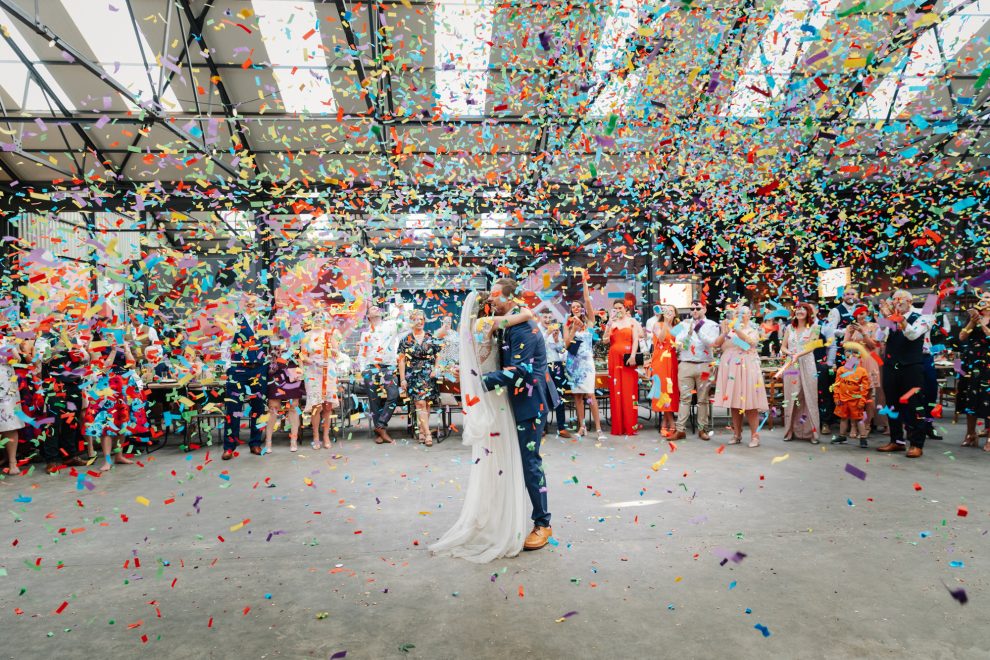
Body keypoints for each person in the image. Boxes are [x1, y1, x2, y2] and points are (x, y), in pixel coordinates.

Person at [430, 291, 540, 562]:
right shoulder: (488, 324)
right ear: (487, 307)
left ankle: (489, 514)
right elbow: (527, 314)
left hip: (488, 392)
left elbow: (458, 363)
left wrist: (468, 377)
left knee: (492, 459)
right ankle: (504, 516)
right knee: (507, 457)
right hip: (497, 395)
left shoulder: (469, 329)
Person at [480, 278, 560, 551]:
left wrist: (482, 383)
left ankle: (543, 523)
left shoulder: (522, 326)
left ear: (509, 297)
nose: (490, 300)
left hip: (530, 403)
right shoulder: (506, 321)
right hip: (511, 403)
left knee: (529, 463)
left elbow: (522, 371)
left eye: (494, 295)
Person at [84, 319, 147, 471]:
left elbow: (131, 365)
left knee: (123, 420)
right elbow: (103, 369)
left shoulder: (122, 344)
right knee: (107, 423)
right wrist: (112, 350)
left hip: (125, 384)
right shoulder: (96, 347)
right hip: (107, 386)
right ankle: (107, 460)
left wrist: (125, 348)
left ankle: (119, 455)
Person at [875, 290, 932, 458]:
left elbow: (913, 334)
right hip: (892, 365)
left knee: (915, 404)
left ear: (909, 300)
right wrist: (884, 319)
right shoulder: (891, 315)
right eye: (893, 300)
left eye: (899, 300)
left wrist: (897, 317)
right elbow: (881, 336)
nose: (896, 303)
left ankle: (916, 443)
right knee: (892, 403)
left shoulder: (923, 315)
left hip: (912, 366)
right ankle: (896, 440)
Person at [36, 313, 89, 473]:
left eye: (63, 321)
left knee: (71, 420)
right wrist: (61, 342)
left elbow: (86, 358)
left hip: (73, 384)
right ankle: (51, 459)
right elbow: (44, 358)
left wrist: (82, 357)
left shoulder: (75, 338)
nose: (61, 324)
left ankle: (70, 455)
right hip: (54, 386)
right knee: (52, 422)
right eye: (57, 321)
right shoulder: (43, 339)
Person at [220, 295, 269, 461]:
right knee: (234, 408)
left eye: (254, 303)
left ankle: (255, 443)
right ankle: (229, 447)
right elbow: (225, 345)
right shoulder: (235, 321)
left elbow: (272, 343)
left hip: (259, 369)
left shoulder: (265, 323)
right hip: (238, 368)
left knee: (258, 408)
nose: (251, 305)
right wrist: (228, 367)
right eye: (248, 303)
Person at [713, 305, 769, 447]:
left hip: (747, 367)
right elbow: (718, 345)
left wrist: (737, 330)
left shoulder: (753, 328)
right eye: (737, 313)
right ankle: (737, 434)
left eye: (743, 313)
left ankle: (754, 436)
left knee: (750, 403)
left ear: (749, 315)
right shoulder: (729, 329)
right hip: (731, 368)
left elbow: (750, 344)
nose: (739, 315)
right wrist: (725, 333)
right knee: (734, 402)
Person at [670, 299, 720, 440]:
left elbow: (712, 343)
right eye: (692, 309)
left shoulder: (713, 325)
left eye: (698, 308)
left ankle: (702, 429)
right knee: (684, 398)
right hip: (686, 364)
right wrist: (689, 333)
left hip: (704, 364)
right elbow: (678, 346)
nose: (695, 311)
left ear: (704, 309)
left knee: (703, 399)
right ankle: (680, 430)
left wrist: (698, 331)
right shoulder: (682, 324)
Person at [564, 278, 605, 441]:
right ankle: (582, 427)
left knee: (590, 394)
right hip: (574, 363)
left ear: (581, 309)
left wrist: (585, 282)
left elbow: (588, 299)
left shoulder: (589, 322)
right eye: (573, 307)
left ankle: (598, 428)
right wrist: (573, 329)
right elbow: (566, 344)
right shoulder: (567, 325)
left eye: (578, 306)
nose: (576, 308)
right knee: (577, 396)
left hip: (587, 363)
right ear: (571, 310)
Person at [356, 304, 402, 444]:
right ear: (368, 316)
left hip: (388, 367)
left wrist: (401, 311)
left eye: (378, 308)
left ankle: (380, 426)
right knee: (373, 400)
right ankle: (380, 431)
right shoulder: (366, 334)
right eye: (372, 308)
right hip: (371, 368)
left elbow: (407, 326)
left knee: (394, 395)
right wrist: (364, 371)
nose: (376, 309)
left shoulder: (391, 325)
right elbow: (362, 355)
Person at [775, 302, 821, 443]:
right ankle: (790, 431)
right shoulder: (789, 328)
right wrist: (790, 353)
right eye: (798, 309)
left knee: (810, 396)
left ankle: (812, 433)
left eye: (803, 309)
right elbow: (783, 347)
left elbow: (812, 346)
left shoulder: (815, 327)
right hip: (791, 365)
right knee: (791, 396)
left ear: (808, 312)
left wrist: (798, 354)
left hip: (807, 363)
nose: (800, 311)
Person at [398, 309, 441, 447]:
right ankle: (428, 434)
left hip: (429, 375)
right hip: (413, 374)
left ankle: (422, 431)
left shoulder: (430, 337)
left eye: (421, 319)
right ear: (411, 322)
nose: (419, 321)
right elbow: (401, 360)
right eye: (416, 319)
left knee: (426, 404)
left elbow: (438, 355)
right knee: (420, 403)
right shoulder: (406, 340)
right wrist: (403, 379)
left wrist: (436, 368)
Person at [821, 286, 861, 433]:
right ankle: (828, 420)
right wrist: (847, 331)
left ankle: (853, 422)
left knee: (853, 384)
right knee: (835, 385)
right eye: (847, 294)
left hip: (856, 355)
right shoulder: (836, 311)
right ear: (843, 296)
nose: (850, 296)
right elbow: (830, 331)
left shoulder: (861, 309)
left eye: (852, 293)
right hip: (840, 354)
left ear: (857, 295)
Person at [301, 317, 343, 450]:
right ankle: (315, 436)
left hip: (328, 371)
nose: (318, 319)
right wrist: (314, 362)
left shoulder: (330, 334)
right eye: (315, 316)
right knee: (316, 406)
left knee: (327, 405)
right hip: (313, 372)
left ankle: (326, 436)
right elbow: (302, 356)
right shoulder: (306, 336)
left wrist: (331, 352)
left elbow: (337, 353)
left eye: (321, 316)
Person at [844, 305, 886, 434]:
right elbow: (845, 345)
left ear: (867, 313)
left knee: (869, 395)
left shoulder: (874, 326)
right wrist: (850, 333)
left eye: (862, 313)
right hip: (853, 361)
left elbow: (874, 345)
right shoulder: (850, 327)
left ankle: (867, 425)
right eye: (857, 314)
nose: (860, 316)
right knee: (851, 394)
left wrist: (862, 332)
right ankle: (854, 426)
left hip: (869, 359)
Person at [605, 298, 643, 436]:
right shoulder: (612, 323)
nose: (618, 310)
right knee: (616, 391)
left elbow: (636, 340)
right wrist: (609, 323)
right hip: (614, 358)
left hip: (627, 358)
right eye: (615, 308)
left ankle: (630, 425)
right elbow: (605, 340)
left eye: (620, 308)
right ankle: (618, 426)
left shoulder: (632, 322)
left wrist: (633, 355)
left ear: (625, 309)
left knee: (629, 391)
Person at [958, 295, 990, 450]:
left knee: (987, 397)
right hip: (971, 361)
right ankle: (971, 434)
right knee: (970, 396)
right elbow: (962, 336)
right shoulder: (972, 318)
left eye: (988, 298)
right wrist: (973, 321)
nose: (984, 300)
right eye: (983, 298)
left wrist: (983, 325)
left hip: (987, 362)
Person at [265, 329, 303, 453]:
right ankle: (268, 441)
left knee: (293, 406)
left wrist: (301, 371)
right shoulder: (269, 336)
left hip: (292, 373)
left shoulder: (296, 336)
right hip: (275, 373)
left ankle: (293, 440)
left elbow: (301, 355)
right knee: (273, 407)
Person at [830, 342, 873, 448]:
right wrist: (836, 397)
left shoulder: (862, 372)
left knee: (859, 419)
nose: (851, 357)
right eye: (848, 354)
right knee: (843, 418)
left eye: (854, 354)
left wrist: (862, 401)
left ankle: (863, 437)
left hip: (856, 401)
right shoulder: (841, 370)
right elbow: (837, 385)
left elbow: (864, 388)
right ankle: (842, 436)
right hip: (843, 400)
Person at [648, 304, 679, 437]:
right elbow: (660, 339)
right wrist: (666, 323)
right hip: (660, 360)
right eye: (667, 311)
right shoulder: (657, 325)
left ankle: (665, 421)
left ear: (675, 313)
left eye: (672, 310)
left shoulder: (678, 327)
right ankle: (671, 422)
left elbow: (683, 343)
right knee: (663, 389)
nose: (669, 313)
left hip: (672, 360)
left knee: (671, 391)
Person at [539, 309, 570, 438]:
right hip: (543, 366)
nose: (547, 320)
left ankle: (561, 427)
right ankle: (542, 427)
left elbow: (562, 350)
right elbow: (537, 345)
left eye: (549, 317)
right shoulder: (537, 330)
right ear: (540, 318)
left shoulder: (556, 330)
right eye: (545, 317)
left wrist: (557, 340)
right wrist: (547, 333)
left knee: (559, 395)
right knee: (543, 396)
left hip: (556, 365)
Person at [0, 323, 26, 477]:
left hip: (6, 385)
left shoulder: (5, 341)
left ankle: (12, 462)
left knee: (9, 423)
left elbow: (17, 358)